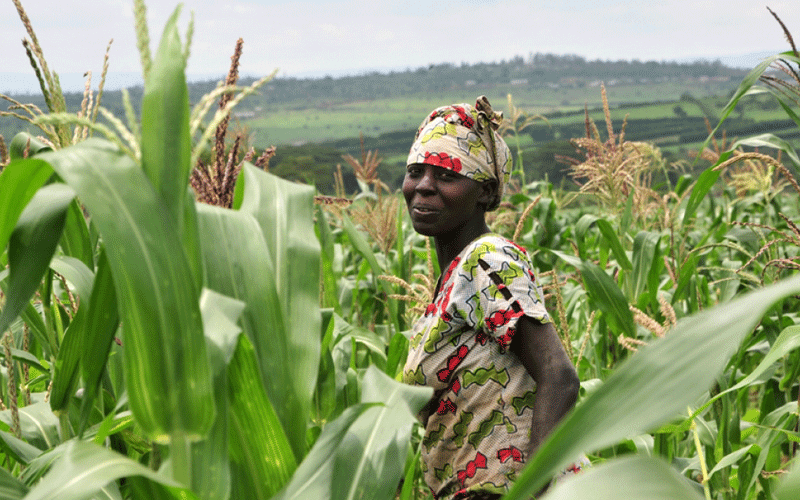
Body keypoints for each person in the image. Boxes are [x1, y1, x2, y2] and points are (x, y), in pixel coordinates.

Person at [401, 96, 586, 500]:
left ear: (484, 193)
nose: (424, 187)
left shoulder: (488, 260)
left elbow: (560, 377)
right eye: (416, 171)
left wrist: (530, 492)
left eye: (447, 176)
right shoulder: (453, 281)